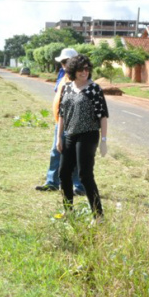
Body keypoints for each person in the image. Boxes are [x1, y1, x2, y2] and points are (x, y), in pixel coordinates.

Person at [57, 54, 109, 218]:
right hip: (70, 135)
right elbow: (62, 114)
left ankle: (98, 215)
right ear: (73, 70)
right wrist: (59, 138)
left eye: (87, 69)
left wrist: (104, 140)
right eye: (81, 69)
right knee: (64, 173)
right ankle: (68, 210)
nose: (84, 72)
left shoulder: (94, 89)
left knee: (85, 175)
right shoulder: (67, 88)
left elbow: (103, 115)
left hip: (88, 135)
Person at [36, 48, 85, 195]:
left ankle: (79, 186)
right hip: (61, 122)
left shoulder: (81, 79)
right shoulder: (63, 76)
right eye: (62, 62)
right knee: (55, 152)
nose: (63, 65)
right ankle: (52, 182)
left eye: (66, 62)